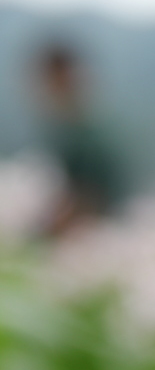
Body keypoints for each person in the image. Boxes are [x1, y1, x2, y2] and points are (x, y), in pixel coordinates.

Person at [35, 41, 126, 236]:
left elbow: (90, 197)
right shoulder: (66, 131)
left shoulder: (89, 137)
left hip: (96, 236)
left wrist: (45, 232)